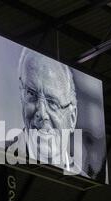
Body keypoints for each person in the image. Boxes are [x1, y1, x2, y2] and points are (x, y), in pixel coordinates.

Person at [6, 48, 86, 177]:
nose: (42, 113)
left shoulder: (85, 184)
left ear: (72, 118)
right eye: (31, 94)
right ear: (22, 96)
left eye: (52, 103)